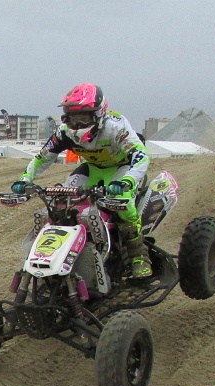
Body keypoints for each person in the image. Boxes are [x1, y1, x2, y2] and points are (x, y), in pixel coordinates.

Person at [11, 83, 153, 278]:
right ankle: (63, 254)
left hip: (122, 168)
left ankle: (139, 255)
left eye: (83, 117)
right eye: (72, 118)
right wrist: (26, 178)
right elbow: (43, 157)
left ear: (98, 114)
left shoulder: (116, 127)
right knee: (62, 202)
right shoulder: (64, 132)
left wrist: (127, 181)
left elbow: (141, 155)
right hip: (93, 169)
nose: (76, 124)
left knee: (123, 203)